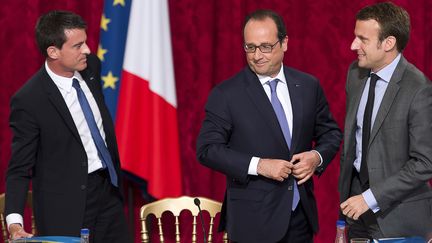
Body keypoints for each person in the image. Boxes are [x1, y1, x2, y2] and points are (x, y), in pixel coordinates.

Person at [196, 9, 342, 243]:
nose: (257, 55)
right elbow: (207, 149)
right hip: (252, 222)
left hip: (300, 219)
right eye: (250, 47)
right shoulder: (226, 94)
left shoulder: (307, 85)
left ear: (284, 43)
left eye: (265, 46)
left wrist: (316, 157)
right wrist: (259, 165)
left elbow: (330, 133)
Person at [5, 10, 132, 243]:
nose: (88, 51)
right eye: (78, 46)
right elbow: (19, 167)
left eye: (85, 42)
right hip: (66, 208)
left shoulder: (90, 66)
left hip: (109, 193)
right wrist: (14, 222)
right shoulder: (30, 99)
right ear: (53, 51)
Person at [339, 2, 432, 240]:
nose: (353, 46)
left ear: (388, 43)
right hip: (355, 210)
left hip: (398, 216)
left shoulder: (418, 89)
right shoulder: (355, 74)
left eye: (363, 39)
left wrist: (370, 199)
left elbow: (424, 162)